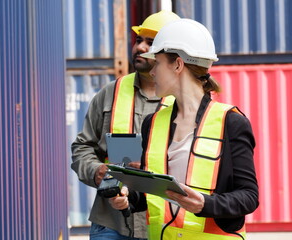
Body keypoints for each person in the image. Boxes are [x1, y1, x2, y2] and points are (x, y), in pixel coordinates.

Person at [109, 18, 259, 240]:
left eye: (157, 63)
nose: (152, 72)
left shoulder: (231, 122)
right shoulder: (153, 123)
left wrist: (205, 204)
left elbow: (248, 196)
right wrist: (127, 198)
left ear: (178, 65)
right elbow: (153, 195)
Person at [71, 10, 180, 240]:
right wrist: (96, 171)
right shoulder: (111, 92)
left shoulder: (185, 102)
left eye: (150, 43)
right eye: (138, 40)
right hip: (110, 224)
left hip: (164, 225)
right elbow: (83, 147)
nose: (139, 47)